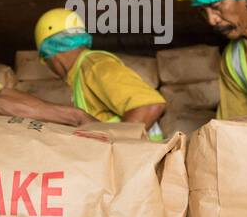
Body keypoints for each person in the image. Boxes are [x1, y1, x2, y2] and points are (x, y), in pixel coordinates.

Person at [34, 8, 166, 138]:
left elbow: (149, 106)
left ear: (48, 54)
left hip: (142, 158)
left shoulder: (94, 66)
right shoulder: (80, 75)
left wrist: (117, 146)